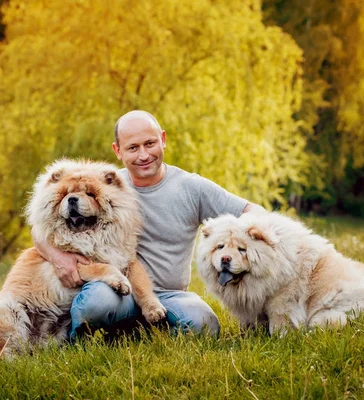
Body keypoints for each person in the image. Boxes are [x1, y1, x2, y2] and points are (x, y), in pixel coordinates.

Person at [35, 110, 265, 339]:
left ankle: (136, 330)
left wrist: (238, 240)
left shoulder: (191, 187)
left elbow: (253, 211)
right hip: (117, 288)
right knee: (95, 305)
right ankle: (79, 338)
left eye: (150, 143)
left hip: (170, 295)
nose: (143, 155)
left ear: (163, 140)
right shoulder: (107, 183)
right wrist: (58, 257)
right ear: (117, 150)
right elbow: (42, 229)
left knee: (204, 326)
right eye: (133, 148)